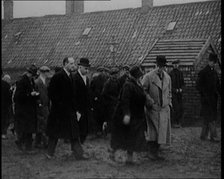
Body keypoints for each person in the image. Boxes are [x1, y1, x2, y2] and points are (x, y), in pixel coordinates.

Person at [46, 57, 88, 160]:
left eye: (74, 64)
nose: (73, 66)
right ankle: (49, 153)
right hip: (58, 112)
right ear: (65, 64)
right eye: (71, 64)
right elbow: (51, 93)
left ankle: (78, 153)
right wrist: (59, 104)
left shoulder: (72, 77)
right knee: (54, 134)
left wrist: (76, 109)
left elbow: (73, 95)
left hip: (70, 111)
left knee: (74, 133)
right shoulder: (58, 76)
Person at [110, 65, 148, 164]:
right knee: (123, 137)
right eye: (139, 76)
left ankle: (129, 159)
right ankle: (113, 152)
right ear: (135, 76)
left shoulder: (137, 84)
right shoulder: (128, 85)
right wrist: (127, 114)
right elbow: (124, 101)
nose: (141, 77)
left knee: (133, 137)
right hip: (126, 116)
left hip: (135, 115)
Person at [142, 55, 172, 160]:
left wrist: (169, 103)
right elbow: (143, 91)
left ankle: (156, 152)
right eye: (159, 66)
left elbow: (169, 92)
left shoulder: (168, 77)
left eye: (163, 67)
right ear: (156, 65)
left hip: (164, 109)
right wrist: (150, 102)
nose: (161, 69)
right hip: (153, 109)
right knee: (153, 132)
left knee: (162, 132)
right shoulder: (148, 77)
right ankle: (151, 153)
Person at [14, 64, 40, 152]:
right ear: (29, 73)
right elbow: (17, 97)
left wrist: (36, 95)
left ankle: (23, 144)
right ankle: (26, 146)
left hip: (29, 109)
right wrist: (29, 95)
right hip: (23, 110)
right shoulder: (22, 82)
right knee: (27, 129)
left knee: (28, 129)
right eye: (32, 74)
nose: (31, 76)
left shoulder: (31, 81)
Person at [196, 53, 221, 142]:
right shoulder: (203, 72)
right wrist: (205, 95)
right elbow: (198, 86)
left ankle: (203, 136)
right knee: (211, 118)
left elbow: (217, 85)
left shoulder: (214, 72)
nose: (213, 64)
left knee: (207, 118)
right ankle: (213, 137)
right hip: (206, 100)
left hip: (213, 99)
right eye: (212, 62)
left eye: (215, 62)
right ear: (209, 61)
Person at [72, 58, 91, 144]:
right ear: (80, 67)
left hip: (85, 109)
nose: (87, 71)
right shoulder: (74, 78)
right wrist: (76, 110)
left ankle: (80, 146)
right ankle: (77, 150)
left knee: (85, 130)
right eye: (85, 68)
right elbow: (73, 95)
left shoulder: (87, 79)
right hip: (78, 109)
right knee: (77, 130)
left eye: (88, 69)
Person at [89, 67, 110, 137]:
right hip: (99, 101)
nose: (102, 72)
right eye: (101, 71)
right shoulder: (104, 79)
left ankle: (99, 131)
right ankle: (99, 131)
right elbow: (91, 90)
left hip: (100, 101)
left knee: (99, 116)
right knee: (99, 117)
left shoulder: (104, 79)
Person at [34, 66, 51, 149]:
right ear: (43, 72)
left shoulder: (46, 82)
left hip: (46, 105)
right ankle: (45, 143)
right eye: (47, 72)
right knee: (43, 124)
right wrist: (39, 103)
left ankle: (37, 142)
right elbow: (35, 94)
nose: (48, 74)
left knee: (42, 124)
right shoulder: (37, 82)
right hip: (40, 106)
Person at [101, 67, 121, 134]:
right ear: (111, 75)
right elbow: (104, 93)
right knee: (110, 118)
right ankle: (107, 130)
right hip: (109, 104)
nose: (116, 76)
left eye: (117, 74)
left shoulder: (117, 82)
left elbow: (119, 91)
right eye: (115, 74)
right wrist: (111, 98)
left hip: (115, 102)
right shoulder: (108, 83)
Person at [169, 60, 185, 128]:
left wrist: (181, 89)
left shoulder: (180, 73)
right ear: (172, 65)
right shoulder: (170, 74)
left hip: (180, 94)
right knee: (175, 108)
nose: (175, 65)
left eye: (177, 64)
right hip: (173, 94)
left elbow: (183, 83)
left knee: (181, 107)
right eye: (174, 64)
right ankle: (174, 122)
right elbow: (169, 85)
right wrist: (175, 90)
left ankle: (179, 122)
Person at [1, 74, 13, 139]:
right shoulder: (7, 85)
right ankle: (3, 134)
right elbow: (9, 96)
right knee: (5, 120)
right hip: (5, 106)